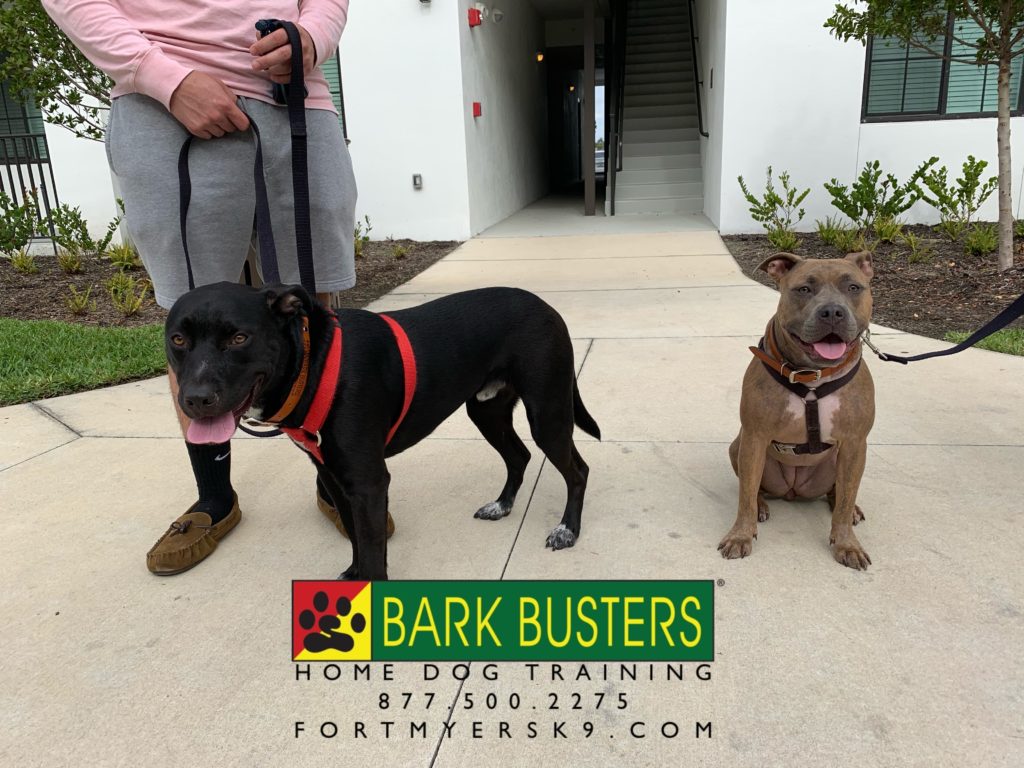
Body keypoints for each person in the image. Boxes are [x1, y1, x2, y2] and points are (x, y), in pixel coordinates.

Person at [42, 0, 358, 575]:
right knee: (192, 322)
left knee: (314, 309)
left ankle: (333, 478)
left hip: (296, 103)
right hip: (167, 105)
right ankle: (214, 498)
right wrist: (164, 76)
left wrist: (312, 37)